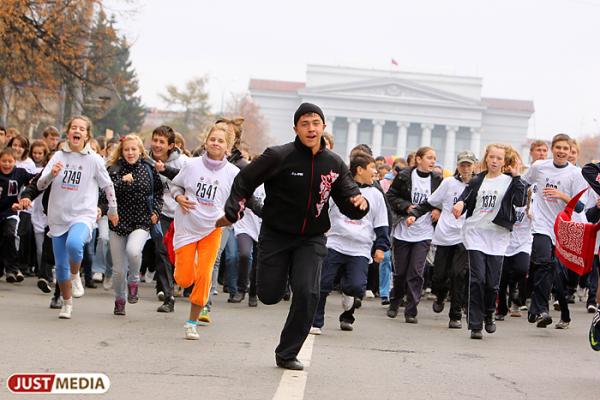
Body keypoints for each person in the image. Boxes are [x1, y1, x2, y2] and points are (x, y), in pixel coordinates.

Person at [219, 102, 369, 371]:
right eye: (305, 124)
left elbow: (348, 197)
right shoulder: (279, 156)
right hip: (276, 235)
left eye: (315, 123)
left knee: (307, 292)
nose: (311, 129)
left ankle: (287, 353)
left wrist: (359, 205)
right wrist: (235, 206)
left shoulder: (333, 163)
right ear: (296, 128)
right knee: (269, 294)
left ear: (323, 127)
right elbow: (244, 180)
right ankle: (276, 277)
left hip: (311, 239)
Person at [33, 116, 118, 319]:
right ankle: (67, 303)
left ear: (87, 135)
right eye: (73, 127)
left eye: (81, 128)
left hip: (83, 214)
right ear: (68, 132)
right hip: (58, 216)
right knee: (60, 267)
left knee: (74, 244)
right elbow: (40, 185)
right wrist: (51, 174)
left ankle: (75, 276)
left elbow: (107, 186)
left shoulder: (94, 160)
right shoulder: (58, 156)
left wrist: (112, 210)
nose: (77, 131)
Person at [169, 122, 240, 339]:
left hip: (213, 228)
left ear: (228, 147)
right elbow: (174, 185)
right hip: (187, 226)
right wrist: (179, 197)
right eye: (213, 139)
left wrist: (232, 216)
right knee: (183, 279)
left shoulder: (233, 173)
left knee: (205, 274)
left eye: (221, 141)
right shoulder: (191, 165)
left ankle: (192, 322)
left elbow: (238, 201)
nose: (216, 143)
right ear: (206, 141)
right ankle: (191, 270)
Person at [453, 144, 525, 339]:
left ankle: (489, 314)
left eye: (499, 158)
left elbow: (520, 202)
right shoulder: (478, 179)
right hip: (476, 233)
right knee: (478, 279)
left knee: (492, 283)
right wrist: (459, 203)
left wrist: (517, 176)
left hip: (498, 236)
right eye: (491, 157)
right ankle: (475, 325)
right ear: (486, 159)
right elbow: (466, 196)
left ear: (504, 162)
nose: (494, 161)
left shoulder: (511, 181)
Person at [311, 153, 389, 334]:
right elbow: (322, 210)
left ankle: (347, 302)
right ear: (359, 170)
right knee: (322, 283)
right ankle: (316, 321)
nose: (375, 172)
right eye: (372, 168)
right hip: (335, 242)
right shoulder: (339, 189)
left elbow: (382, 224)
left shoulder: (376, 195)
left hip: (360, 248)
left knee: (355, 286)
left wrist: (380, 247)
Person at [522, 133, 588, 328]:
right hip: (541, 225)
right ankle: (541, 310)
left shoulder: (576, 174)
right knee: (543, 264)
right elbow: (524, 183)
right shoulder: (539, 167)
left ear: (570, 152)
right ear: (553, 149)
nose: (561, 151)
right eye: (558, 147)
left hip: (563, 227)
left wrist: (561, 195)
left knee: (558, 274)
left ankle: (564, 314)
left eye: (565, 149)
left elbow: (580, 207)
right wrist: (524, 203)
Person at [406, 150, 476, 329]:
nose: (466, 168)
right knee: (439, 276)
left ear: (474, 166)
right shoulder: (448, 183)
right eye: (463, 164)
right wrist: (414, 213)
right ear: (458, 166)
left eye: (469, 164)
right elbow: (430, 202)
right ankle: (440, 294)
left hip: (464, 236)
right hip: (445, 235)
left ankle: (455, 315)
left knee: (458, 274)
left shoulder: (478, 185)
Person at [105, 134, 163, 316]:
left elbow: (159, 193)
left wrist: (156, 211)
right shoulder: (113, 169)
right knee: (118, 269)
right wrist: (122, 182)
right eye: (126, 149)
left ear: (140, 151)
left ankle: (135, 279)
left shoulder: (148, 169)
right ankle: (120, 300)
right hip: (118, 222)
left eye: (133, 149)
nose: (130, 153)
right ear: (121, 152)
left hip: (141, 221)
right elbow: (103, 193)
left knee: (133, 250)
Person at [386, 146, 442, 323]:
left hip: (424, 232)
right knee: (401, 272)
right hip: (404, 230)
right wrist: (406, 206)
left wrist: (437, 209)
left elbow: (443, 200)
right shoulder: (404, 176)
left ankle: (411, 310)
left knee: (416, 272)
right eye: (429, 158)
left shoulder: (438, 180)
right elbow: (391, 196)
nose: (433, 161)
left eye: (434, 158)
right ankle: (395, 302)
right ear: (418, 159)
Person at [0, 148, 37, 283]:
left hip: (11, 211)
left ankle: (13, 268)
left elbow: (34, 180)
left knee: (10, 235)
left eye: (10, 161)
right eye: (3, 161)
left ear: (15, 162)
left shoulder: (19, 173)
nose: (7, 164)